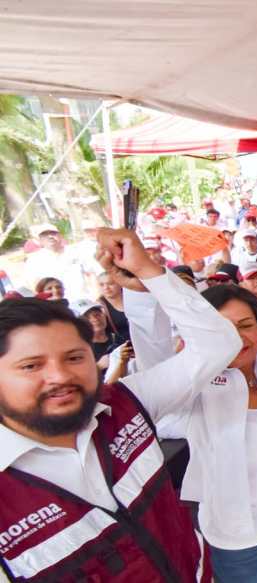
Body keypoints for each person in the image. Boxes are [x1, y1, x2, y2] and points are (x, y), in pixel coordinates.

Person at [0, 227, 241, 582]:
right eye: (31, 366)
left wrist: (149, 273)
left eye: (74, 357)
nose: (60, 376)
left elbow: (218, 344)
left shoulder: (126, 403)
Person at [118, 250, 257, 582]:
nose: (236, 338)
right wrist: (141, 289)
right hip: (242, 536)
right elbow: (154, 353)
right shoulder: (194, 383)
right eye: (220, 330)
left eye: (245, 325)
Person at [98, 271, 131, 341]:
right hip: (125, 346)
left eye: (110, 283)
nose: (106, 287)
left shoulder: (132, 296)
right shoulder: (99, 307)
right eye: (101, 285)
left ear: (120, 283)